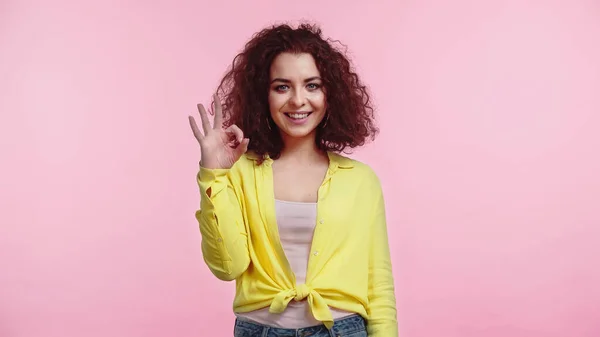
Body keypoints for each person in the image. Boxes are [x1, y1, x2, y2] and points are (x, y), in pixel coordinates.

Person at [189, 23, 397, 337]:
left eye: (312, 85)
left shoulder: (361, 181)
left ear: (331, 94)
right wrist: (213, 175)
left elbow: (378, 286)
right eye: (282, 86)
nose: (298, 100)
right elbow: (227, 267)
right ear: (264, 95)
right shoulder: (238, 171)